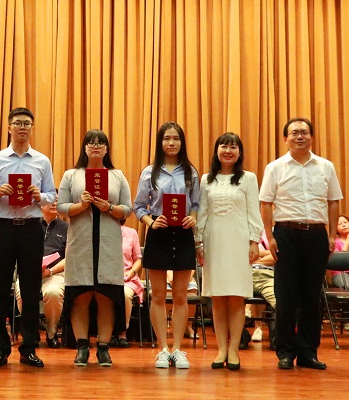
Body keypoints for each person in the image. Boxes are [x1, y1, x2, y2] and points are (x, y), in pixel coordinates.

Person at [260, 117, 342, 370]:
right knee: (286, 296)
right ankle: (285, 352)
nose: (299, 136)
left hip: (317, 236)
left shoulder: (326, 166)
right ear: (285, 139)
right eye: (294, 133)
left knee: (311, 296)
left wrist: (331, 235)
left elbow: (334, 201)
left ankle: (308, 353)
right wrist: (270, 237)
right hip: (286, 234)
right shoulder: (275, 167)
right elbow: (265, 203)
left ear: (312, 137)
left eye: (304, 132)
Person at [0, 107, 56, 368]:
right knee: (0, 289)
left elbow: (52, 194)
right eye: (17, 123)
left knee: (30, 289)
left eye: (26, 123)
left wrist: (39, 196)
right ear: (9, 128)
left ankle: (29, 348)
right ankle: (0, 348)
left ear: (32, 128)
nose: (22, 127)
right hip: (3, 227)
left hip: (31, 228)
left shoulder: (42, 161)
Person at [57, 129, 132, 367]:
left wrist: (108, 207)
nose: (96, 146)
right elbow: (61, 207)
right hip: (80, 242)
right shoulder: (71, 175)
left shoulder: (117, 176)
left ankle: (103, 347)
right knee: (80, 295)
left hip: (109, 242)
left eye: (101, 143)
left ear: (107, 149)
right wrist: (81, 205)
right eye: (91, 142)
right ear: (85, 148)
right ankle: (81, 347)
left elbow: (128, 209)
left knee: (105, 296)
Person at [133, 121, 199, 369]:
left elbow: (196, 204)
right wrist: (151, 221)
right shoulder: (149, 172)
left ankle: (178, 349)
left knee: (181, 295)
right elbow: (139, 206)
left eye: (176, 138)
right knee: (158, 295)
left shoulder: (191, 172)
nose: (171, 143)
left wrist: (193, 217)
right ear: (160, 143)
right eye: (166, 139)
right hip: (158, 234)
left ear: (182, 142)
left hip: (183, 234)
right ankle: (162, 349)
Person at [195, 132, 263, 371]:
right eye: (224, 146)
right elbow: (202, 213)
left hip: (239, 242)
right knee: (217, 297)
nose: (228, 151)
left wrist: (254, 241)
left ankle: (234, 350)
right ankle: (221, 349)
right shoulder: (207, 179)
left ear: (239, 152)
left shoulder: (248, 178)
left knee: (235, 297)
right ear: (217, 151)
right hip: (213, 241)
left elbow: (254, 211)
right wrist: (198, 243)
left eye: (233, 147)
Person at [14, 195, 67, 348]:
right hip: (29, 271)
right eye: (51, 200)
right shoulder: (30, 225)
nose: (54, 203)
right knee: (22, 294)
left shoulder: (66, 228)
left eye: (57, 200)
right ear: (40, 204)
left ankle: (51, 333)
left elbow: (70, 257)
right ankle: (31, 332)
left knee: (53, 293)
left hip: (55, 273)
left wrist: (50, 271)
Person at [110, 219, 143, 348]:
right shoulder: (102, 231)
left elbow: (138, 259)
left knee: (124, 293)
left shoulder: (132, 233)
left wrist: (132, 271)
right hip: (106, 276)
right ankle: (106, 333)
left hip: (127, 277)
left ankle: (122, 332)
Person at [333, 215, 349, 290]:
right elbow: (339, 261)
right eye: (339, 224)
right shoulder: (334, 242)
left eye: (345, 222)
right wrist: (347, 242)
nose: (343, 225)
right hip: (340, 273)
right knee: (347, 286)